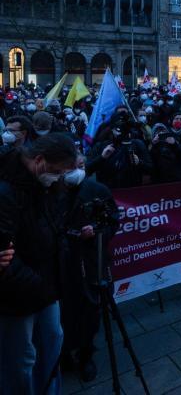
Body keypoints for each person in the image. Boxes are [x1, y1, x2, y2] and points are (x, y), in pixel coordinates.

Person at [0, 133, 79, 394]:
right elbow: (7, 258)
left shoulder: (44, 186)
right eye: (57, 172)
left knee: (53, 342)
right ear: (40, 161)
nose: (58, 178)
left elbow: (54, 227)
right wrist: (39, 286)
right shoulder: (7, 192)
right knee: (21, 358)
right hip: (17, 294)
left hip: (47, 284)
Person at [59, 170, 119, 383]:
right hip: (61, 264)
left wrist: (95, 230)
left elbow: (112, 221)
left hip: (92, 261)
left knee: (90, 311)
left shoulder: (97, 190)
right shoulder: (50, 190)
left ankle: (86, 355)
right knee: (63, 312)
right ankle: (63, 354)